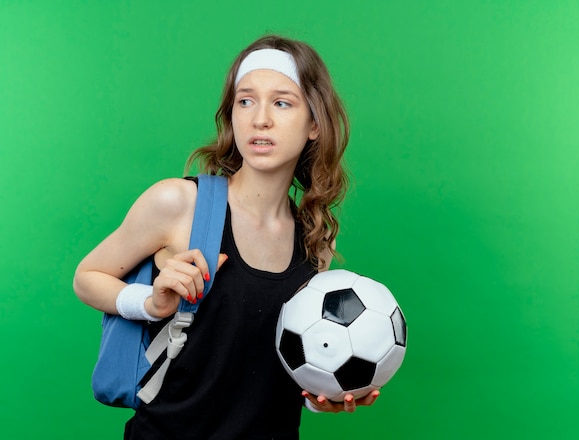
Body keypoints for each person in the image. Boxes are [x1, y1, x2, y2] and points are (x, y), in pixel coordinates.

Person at [73, 34, 379, 439]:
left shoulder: (314, 237)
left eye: (282, 102)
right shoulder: (180, 203)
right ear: (231, 115)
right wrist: (149, 303)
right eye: (245, 100)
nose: (260, 119)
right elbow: (87, 277)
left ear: (315, 125)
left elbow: (275, 363)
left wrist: (325, 390)